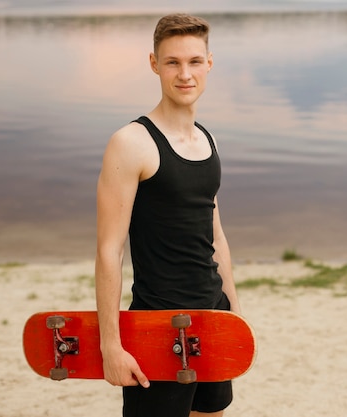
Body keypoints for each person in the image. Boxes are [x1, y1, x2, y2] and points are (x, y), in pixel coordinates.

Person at [94, 13, 241, 417]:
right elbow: (109, 250)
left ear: (209, 63)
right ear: (154, 64)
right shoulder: (130, 143)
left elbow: (216, 234)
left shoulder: (207, 139)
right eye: (173, 62)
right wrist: (111, 344)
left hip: (213, 317)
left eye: (195, 62)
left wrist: (235, 313)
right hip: (158, 327)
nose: (185, 74)